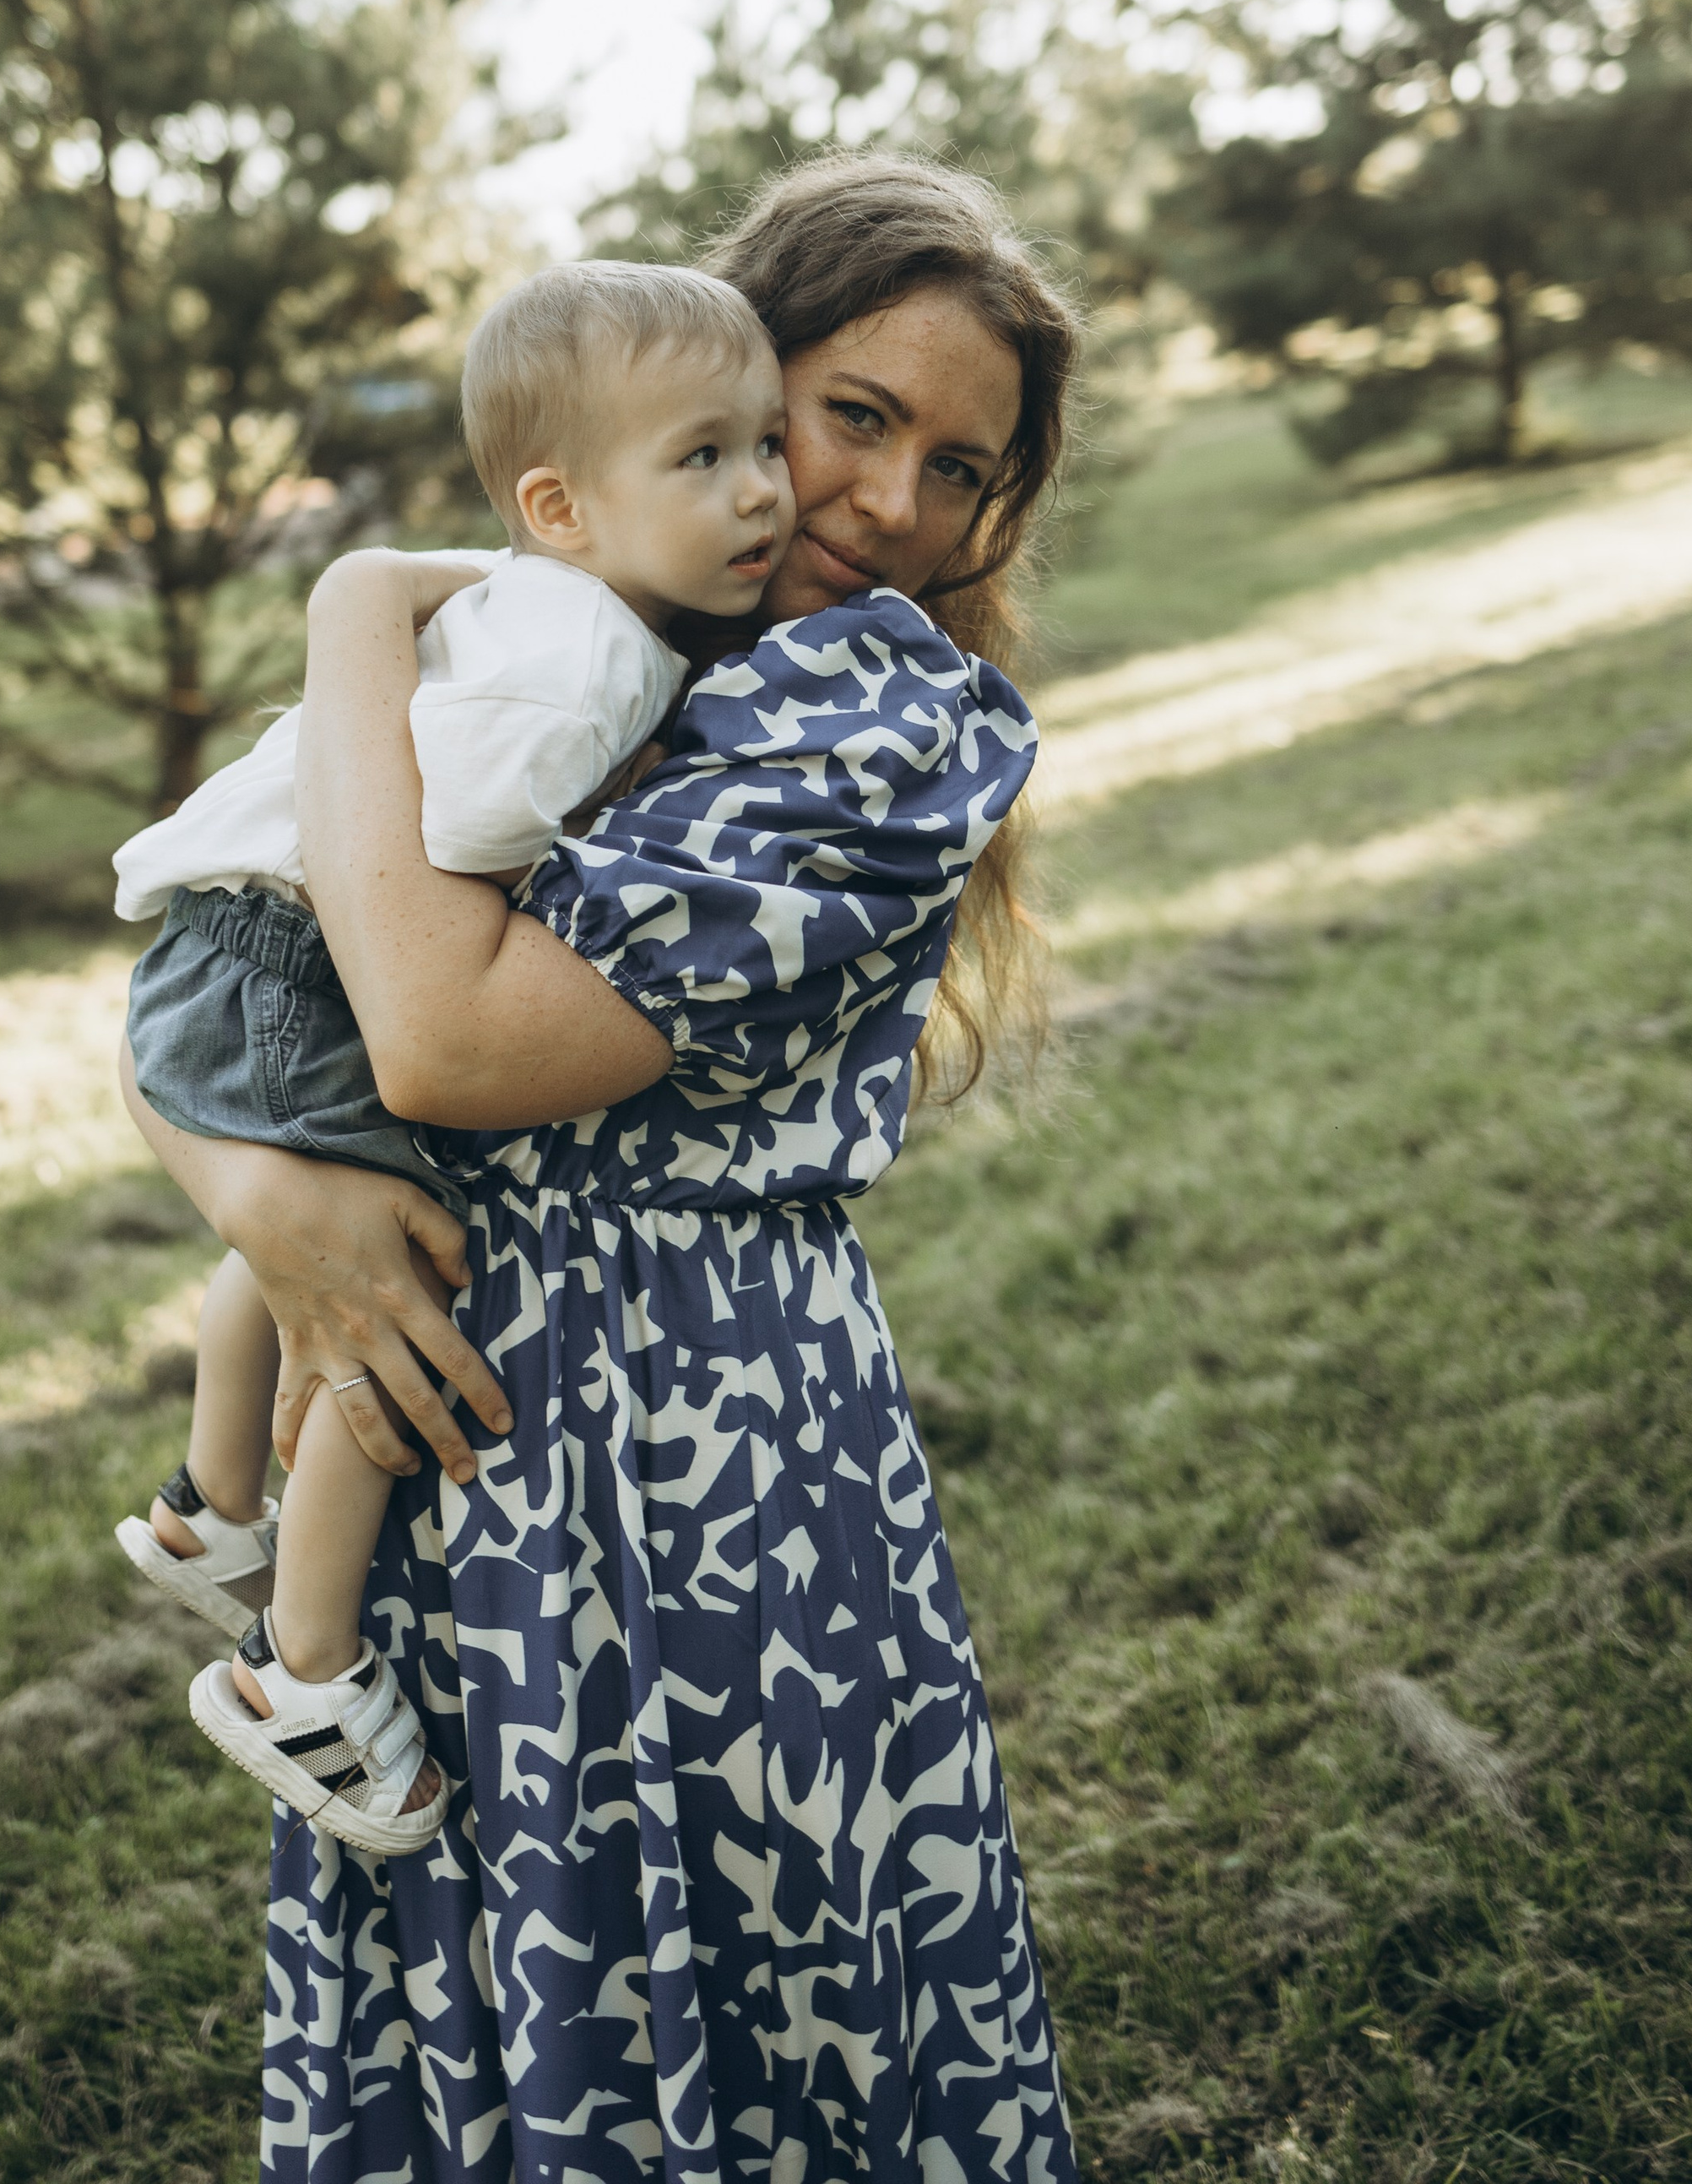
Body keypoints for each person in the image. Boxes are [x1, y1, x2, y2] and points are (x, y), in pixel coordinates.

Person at [122, 152, 1082, 2184]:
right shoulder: (572, 650)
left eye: (959, 467)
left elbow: (440, 1040)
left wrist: (350, 601)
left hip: (701, 1453)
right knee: (487, 1981)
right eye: (850, 421)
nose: (892, 508)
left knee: (760, 1995)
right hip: (446, 1422)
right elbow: (234, 954)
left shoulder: (880, 717)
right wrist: (259, 1202)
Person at [109, 263, 792, 1853]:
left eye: (765, 444)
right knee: (398, 1299)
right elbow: (452, 847)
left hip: (218, 939)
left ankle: (208, 1506)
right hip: (308, 959)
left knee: (300, 1232)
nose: (761, 490)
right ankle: (305, 1666)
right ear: (560, 503)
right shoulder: (596, 662)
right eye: (703, 458)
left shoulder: (534, 599)